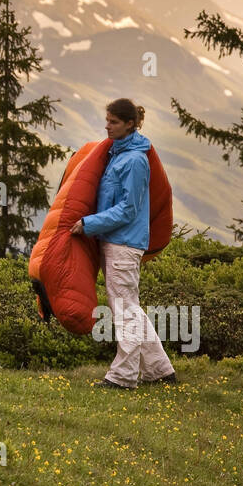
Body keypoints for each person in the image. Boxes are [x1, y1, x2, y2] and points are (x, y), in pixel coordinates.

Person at [69, 98, 177, 389]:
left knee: (124, 310)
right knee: (130, 307)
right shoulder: (117, 155)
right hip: (114, 242)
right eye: (106, 120)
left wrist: (88, 224)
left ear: (130, 124)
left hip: (124, 244)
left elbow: (129, 209)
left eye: (114, 122)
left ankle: (123, 377)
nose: (107, 126)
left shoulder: (134, 161)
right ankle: (160, 370)